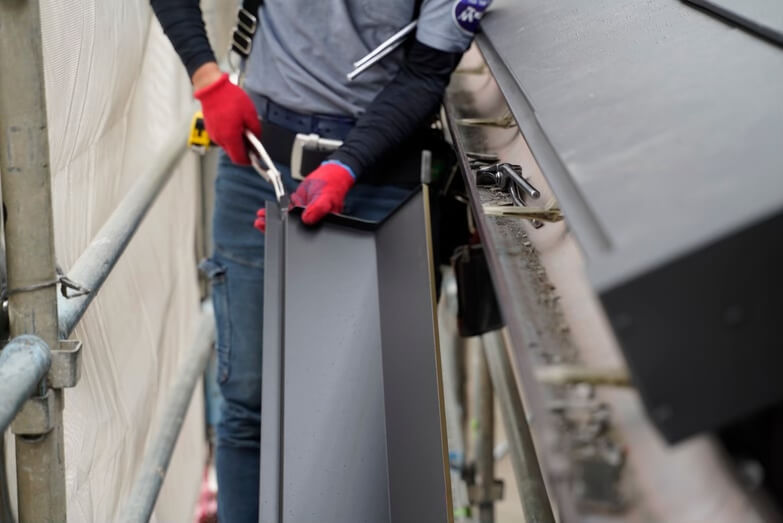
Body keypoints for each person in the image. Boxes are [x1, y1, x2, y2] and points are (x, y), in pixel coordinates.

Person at [150, 1, 491, 521]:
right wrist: (207, 78)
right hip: (257, 166)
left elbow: (426, 71)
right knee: (248, 408)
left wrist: (346, 166)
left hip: (379, 177)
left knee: (366, 416)